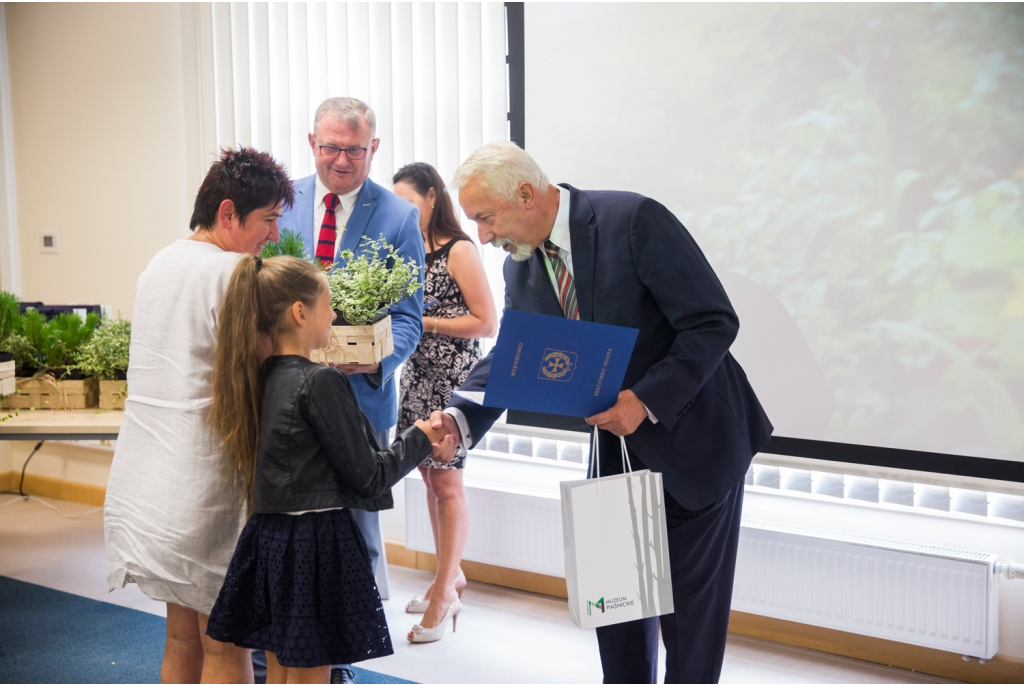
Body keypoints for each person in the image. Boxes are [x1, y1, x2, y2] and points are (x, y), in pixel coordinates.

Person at [430, 142, 773, 684]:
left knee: (687, 632)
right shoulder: (521, 268)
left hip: (694, 447)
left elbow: (713, 322)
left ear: (525, 193)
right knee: (617, 616)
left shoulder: (634, 220)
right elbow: (519, 351)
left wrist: (645, 400)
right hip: (612, 457)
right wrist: (459, 417)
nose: (485, 236)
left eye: (486, 218)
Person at [204, 255, 455, 684]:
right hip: (314, 544)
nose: (336, 314)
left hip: (270, 538)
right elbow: (368, 476)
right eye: (328, 304)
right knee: (309, 674)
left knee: (282, 668)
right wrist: (420, 436)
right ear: (300, 313)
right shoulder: (320, 381)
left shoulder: (259, 376)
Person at [104, 147, 293, 683]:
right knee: (225, 646)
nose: (274, 235)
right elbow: (262, 367)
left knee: (182, 637)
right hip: (205, 480)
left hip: (147, 476)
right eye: (269, 220)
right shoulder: (236, 271)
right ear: (228, 212)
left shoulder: (161, 261)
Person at [274, 96, 424, 683]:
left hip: (358, 400)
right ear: (311, 142)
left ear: (374, 149)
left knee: (350, 530)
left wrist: (374, 361)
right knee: (286, 526)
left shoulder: (398, 217)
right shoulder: (282, 202)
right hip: (281, 398)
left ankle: (337, 654)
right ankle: (281, 644)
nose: (341, 160)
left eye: (354, 150)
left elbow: (409, 318)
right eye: (330, 147)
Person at [392, 163, 497, 643]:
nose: (402, 213)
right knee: (430, 484)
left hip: (451, 382)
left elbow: (486, 322)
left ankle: (444, 595)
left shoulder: (460, 249)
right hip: (414, 378)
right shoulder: (408, 249)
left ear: (433, 198)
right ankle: (448, 576)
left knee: (448, 486)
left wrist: (426, 323)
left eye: (409, 203)